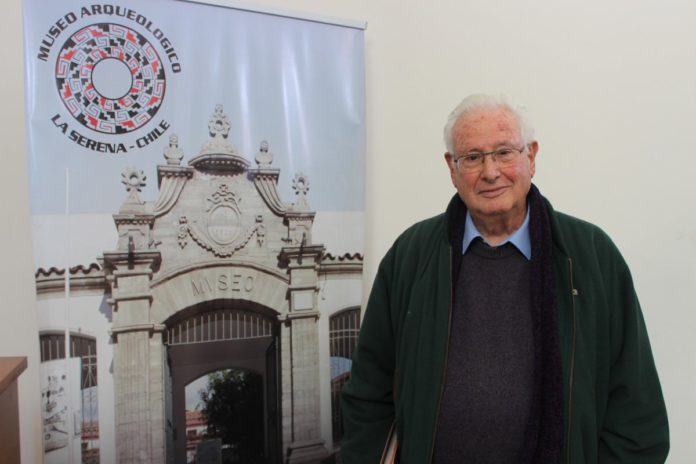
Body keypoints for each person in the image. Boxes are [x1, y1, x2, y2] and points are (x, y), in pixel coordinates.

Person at [341, 94, 669, 463]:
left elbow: (637, 416)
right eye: (473, 157)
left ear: (531, 156)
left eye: (504, 153)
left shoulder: (592, 256)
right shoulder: (410, 257)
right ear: (452, 168)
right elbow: (368, 395)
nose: (491, 171)